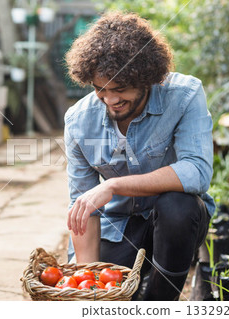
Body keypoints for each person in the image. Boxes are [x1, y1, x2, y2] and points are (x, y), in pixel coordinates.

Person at [64, 11, 214, 301]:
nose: (110, 100)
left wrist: (114, 185)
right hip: (117, 226)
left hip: (174, 222)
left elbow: (197, 171)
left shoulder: (184, 95)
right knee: (114, 297)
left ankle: (157, 304)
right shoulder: (78, 121)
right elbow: (83, 207)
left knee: (178, 206)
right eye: (99, 89)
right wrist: (89, 283)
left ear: (147, 78)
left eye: (120, 89)